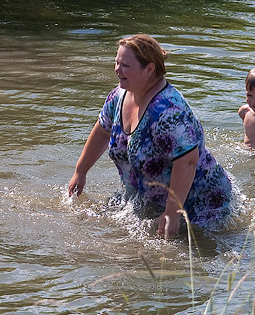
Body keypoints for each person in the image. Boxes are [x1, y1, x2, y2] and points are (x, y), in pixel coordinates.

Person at [68, 34, 235, 238]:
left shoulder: (168, 111)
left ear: (149, 70)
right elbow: (103, 131)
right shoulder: (118, 97)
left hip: (201, 205)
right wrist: (80, 171)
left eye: (125, 65)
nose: (117, 70)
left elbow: (188, 161)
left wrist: (172, 214)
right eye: (116, 62)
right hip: (147, 199)